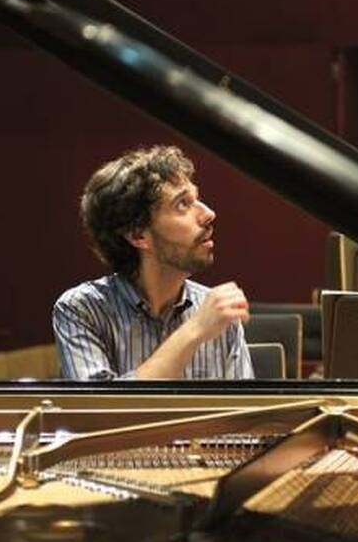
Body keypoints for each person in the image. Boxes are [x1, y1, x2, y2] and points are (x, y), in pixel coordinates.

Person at [52, 145, 255, 380]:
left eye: (197, 199)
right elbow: (100, 403)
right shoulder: (82, 310)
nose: (209, 213)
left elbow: (244, 405)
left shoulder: (219, 317)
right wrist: (195, 330)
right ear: (138, 235)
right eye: (183, 203)